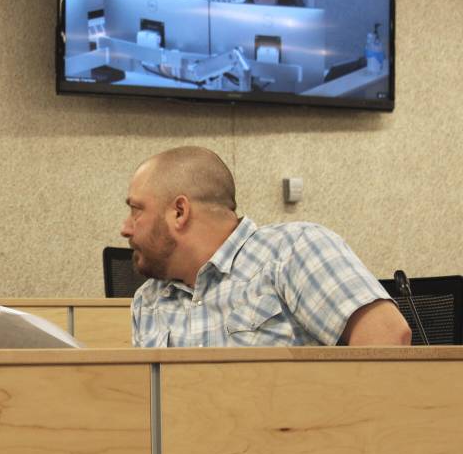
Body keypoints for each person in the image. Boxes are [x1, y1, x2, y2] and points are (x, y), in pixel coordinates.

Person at [120, 146, 411, 347]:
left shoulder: (293, 250)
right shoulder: (148, 300)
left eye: (137, 210)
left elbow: (387, 338)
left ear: (180, 212)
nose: (126, 228)